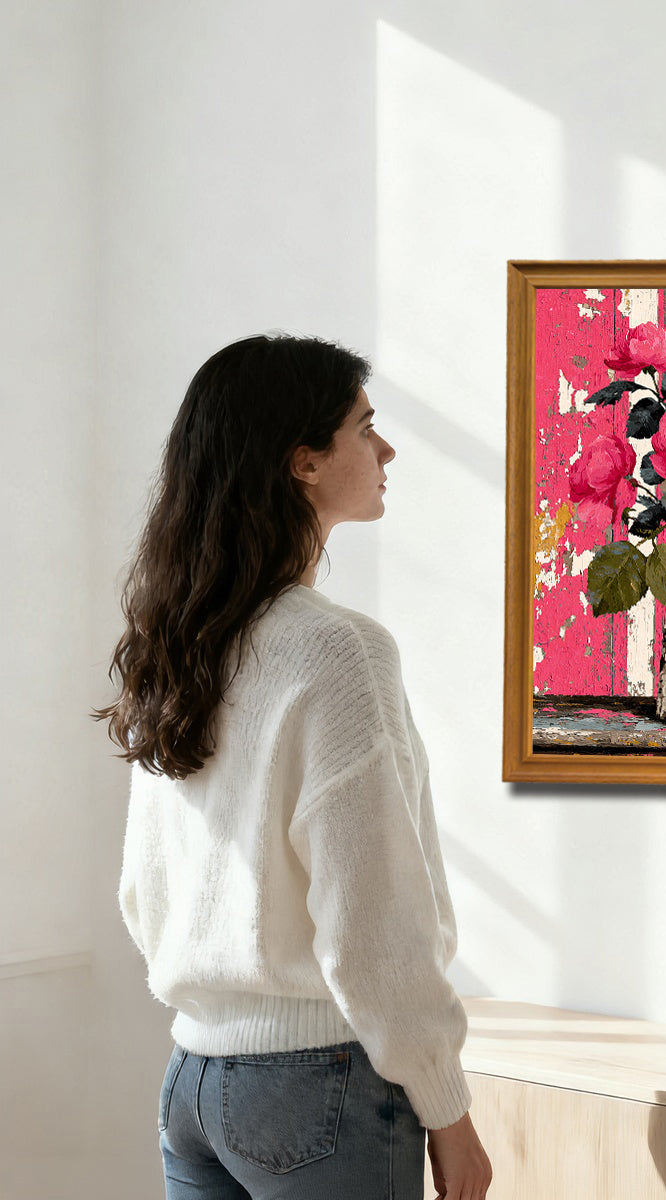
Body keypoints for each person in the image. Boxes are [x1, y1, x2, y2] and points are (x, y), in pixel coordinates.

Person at [92, 333, 492, 1200]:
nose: (386, 451)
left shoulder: (183, 645)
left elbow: (141, 890)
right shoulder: (338, 652)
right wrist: (448, 1110)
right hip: (321, 1087)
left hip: (192, 1082)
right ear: (305, 462)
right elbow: (375, 916)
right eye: (365, 428)